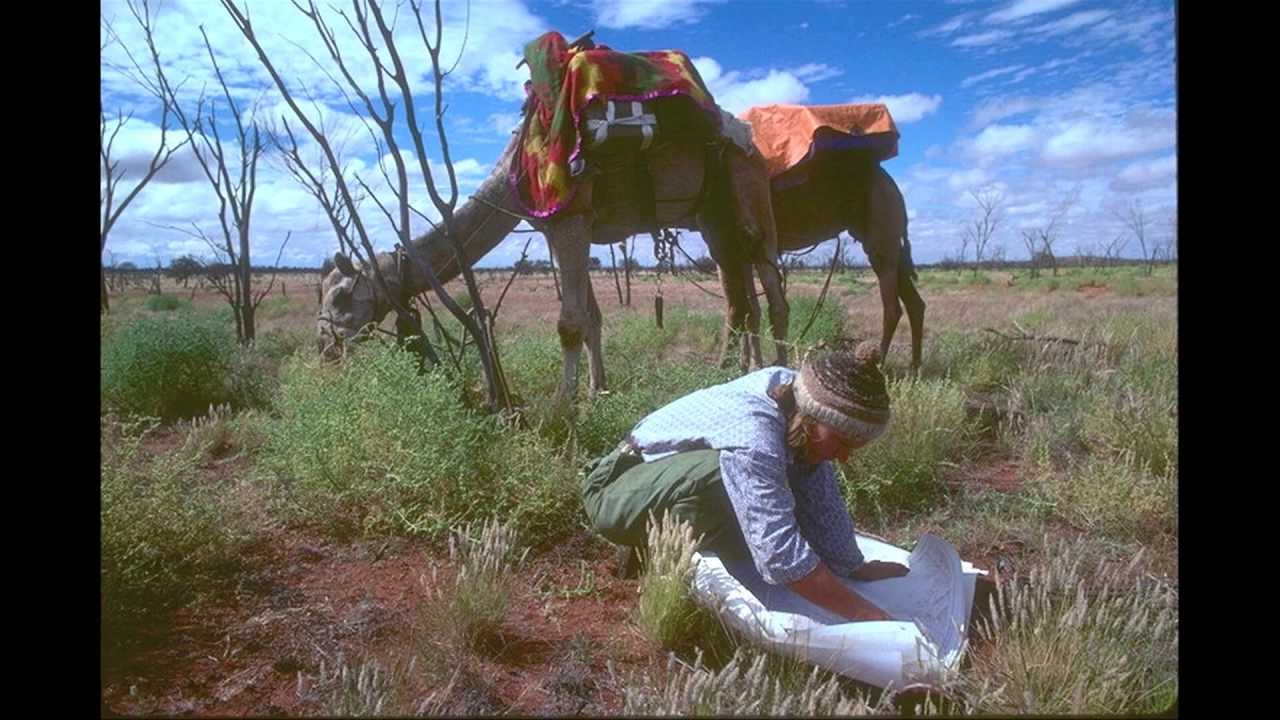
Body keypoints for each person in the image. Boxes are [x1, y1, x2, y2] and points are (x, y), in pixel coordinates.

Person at [581, 340, 909, 623]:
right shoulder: (756, 436)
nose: (844, 457)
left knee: (785, 487)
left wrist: (851, 565)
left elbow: (818, 490)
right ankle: (652, 549)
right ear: (812, 418)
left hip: (658, 479)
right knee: (728, 475)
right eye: (841, 442)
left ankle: (675, 537)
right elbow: (782, 559)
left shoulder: (800, 398)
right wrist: (874, 618)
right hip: (615, 489)